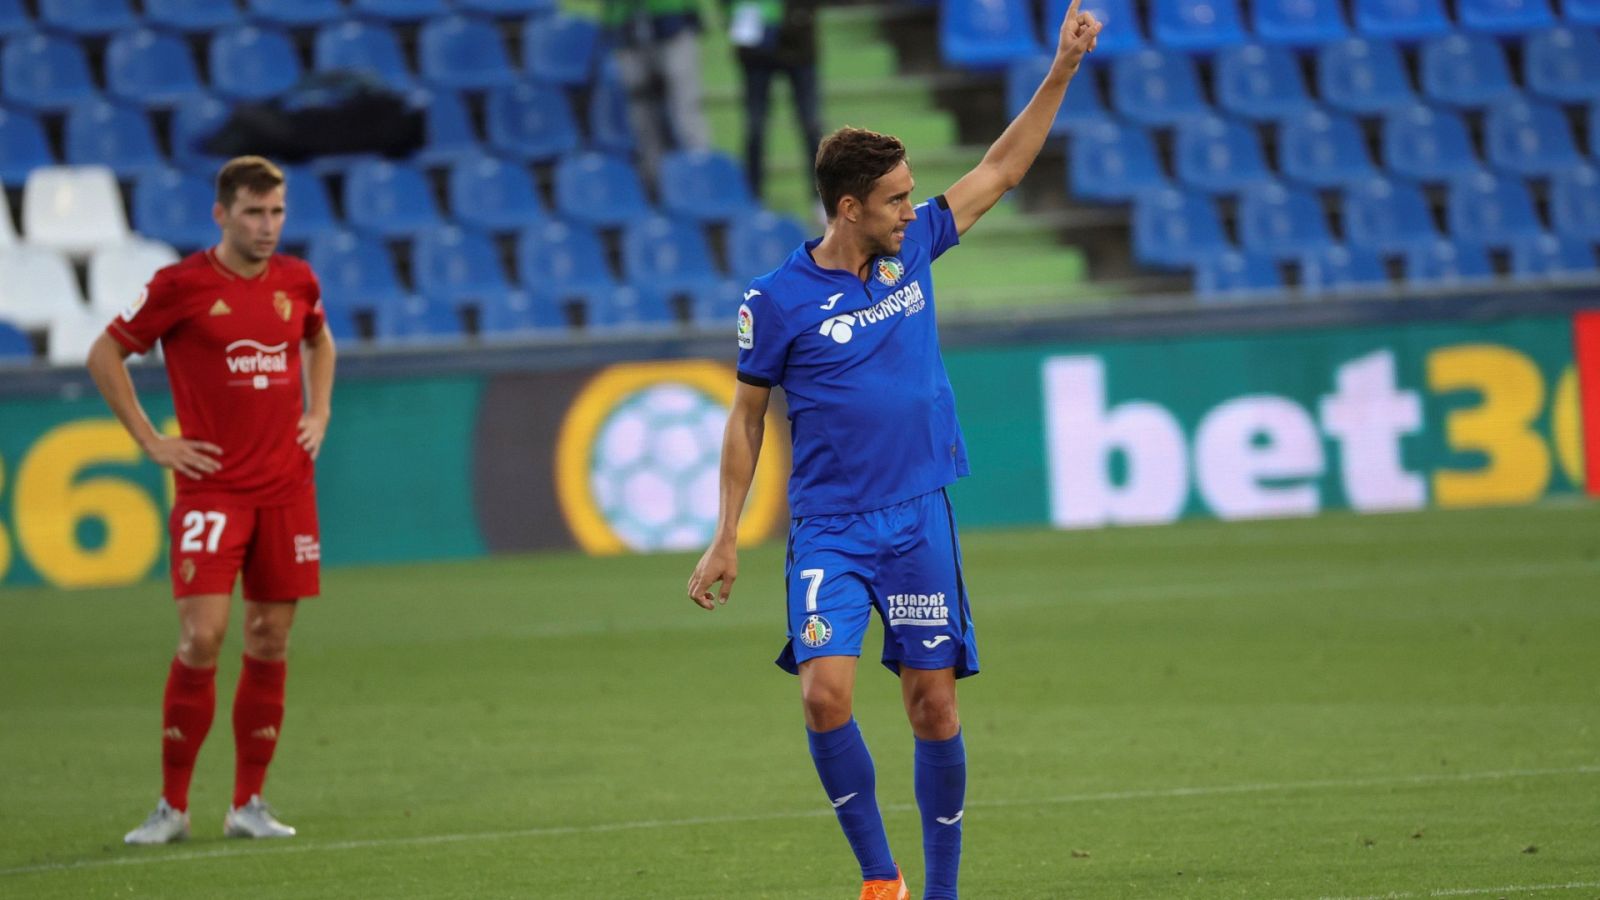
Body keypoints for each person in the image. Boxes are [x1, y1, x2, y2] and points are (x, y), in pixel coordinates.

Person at [685, 4, 1101, 897]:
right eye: (896, 199)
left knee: (933, 703)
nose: (913, 210)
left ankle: (943, 891)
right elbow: (747, 418)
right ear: (849, 208)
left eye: (913, 194)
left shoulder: (913, 252)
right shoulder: (779, 299)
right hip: (831, 527)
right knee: (823, 695)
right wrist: (725, 534)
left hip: (918, 517)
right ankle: (883, 881)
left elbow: (1000, 168)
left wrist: (1061, 69)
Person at [86, 156, 336, 845]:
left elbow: (320, 339)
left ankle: (248, 803)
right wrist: (151, 440)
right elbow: (104, 353)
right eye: (254, 213)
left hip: (286, 486)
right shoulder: (181, 285)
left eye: (277, 212)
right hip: (213, 488)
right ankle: (171, 806)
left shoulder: (297, 279)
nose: (268, 226)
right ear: (221, 214)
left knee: (271, 637)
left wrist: (319, 415)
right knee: (202, 636)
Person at [724, 0, 823, 203]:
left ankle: (821, 197)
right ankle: (752, 198)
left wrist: (799, 17)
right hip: (755, 51)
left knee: (811, 125)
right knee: (755, 127)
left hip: (799, 43)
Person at [602, 0, 712, 177]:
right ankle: (655, 184)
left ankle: (701, 179)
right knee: (642, 116)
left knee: (685, 110)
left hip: (672, 22)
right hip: (627, 29)